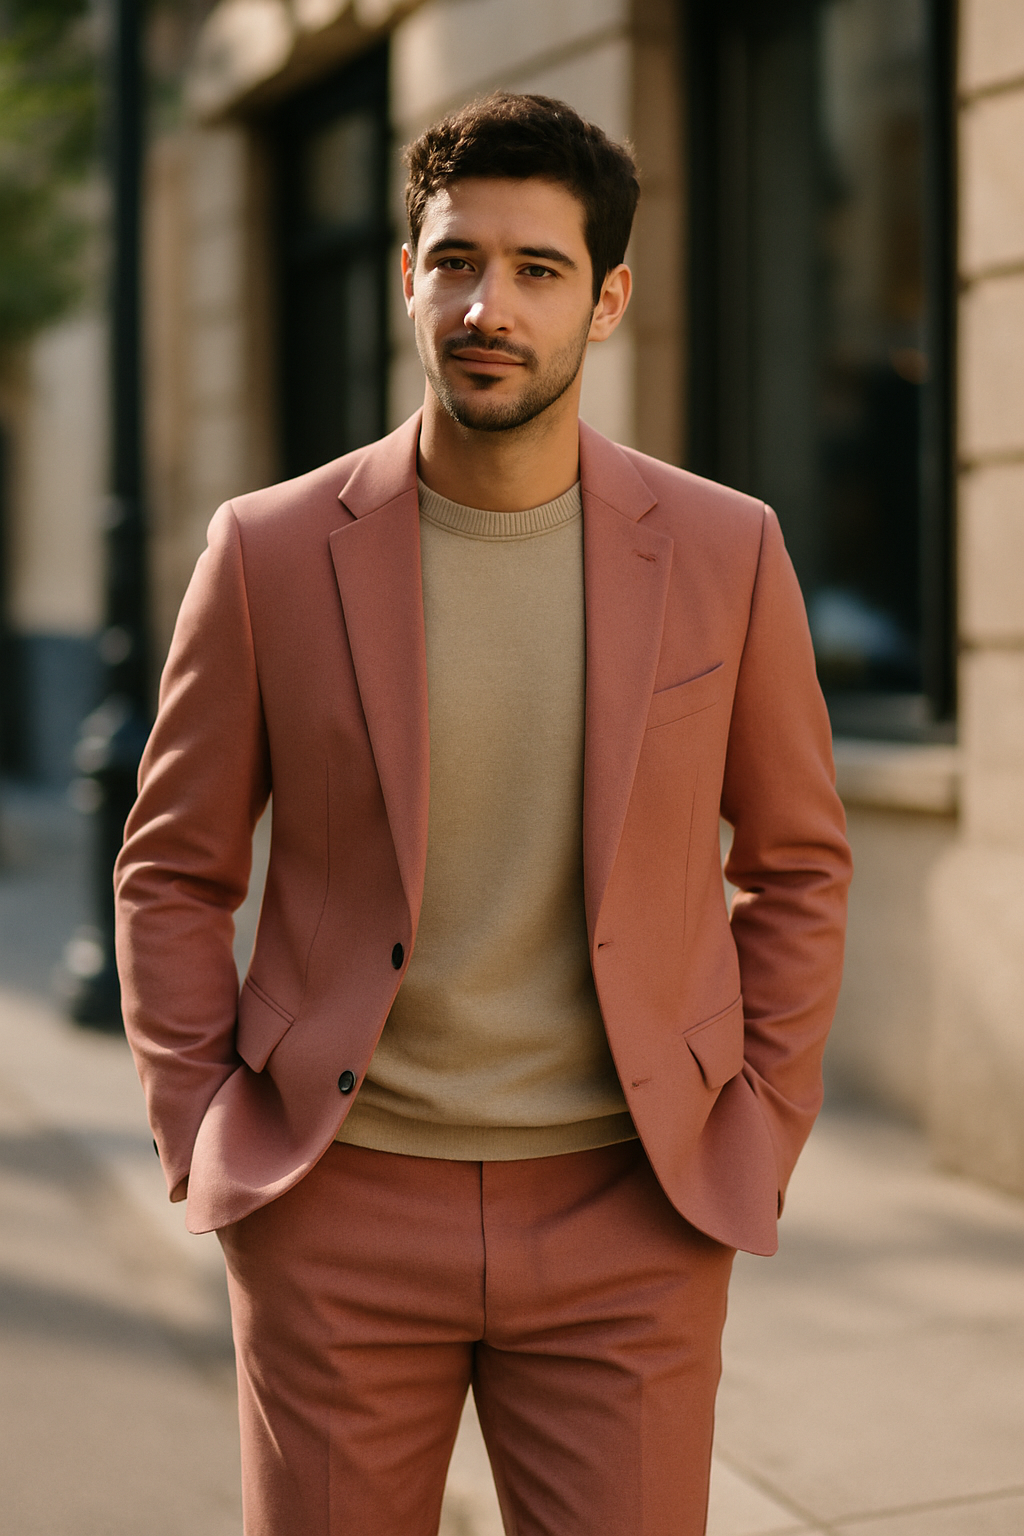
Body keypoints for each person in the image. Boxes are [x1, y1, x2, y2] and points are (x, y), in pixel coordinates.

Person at [115, 92, 851, 1536]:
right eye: (454, 262)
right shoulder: (266, 552)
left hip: (629, 1211)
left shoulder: (727, 550)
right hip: (338, 1205)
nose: (485, 306)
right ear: (407, 279)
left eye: (537, 269)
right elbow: (172, 869)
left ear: (610, 298)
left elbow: (799, 863)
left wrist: (754, 1123)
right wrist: (205, 1126)